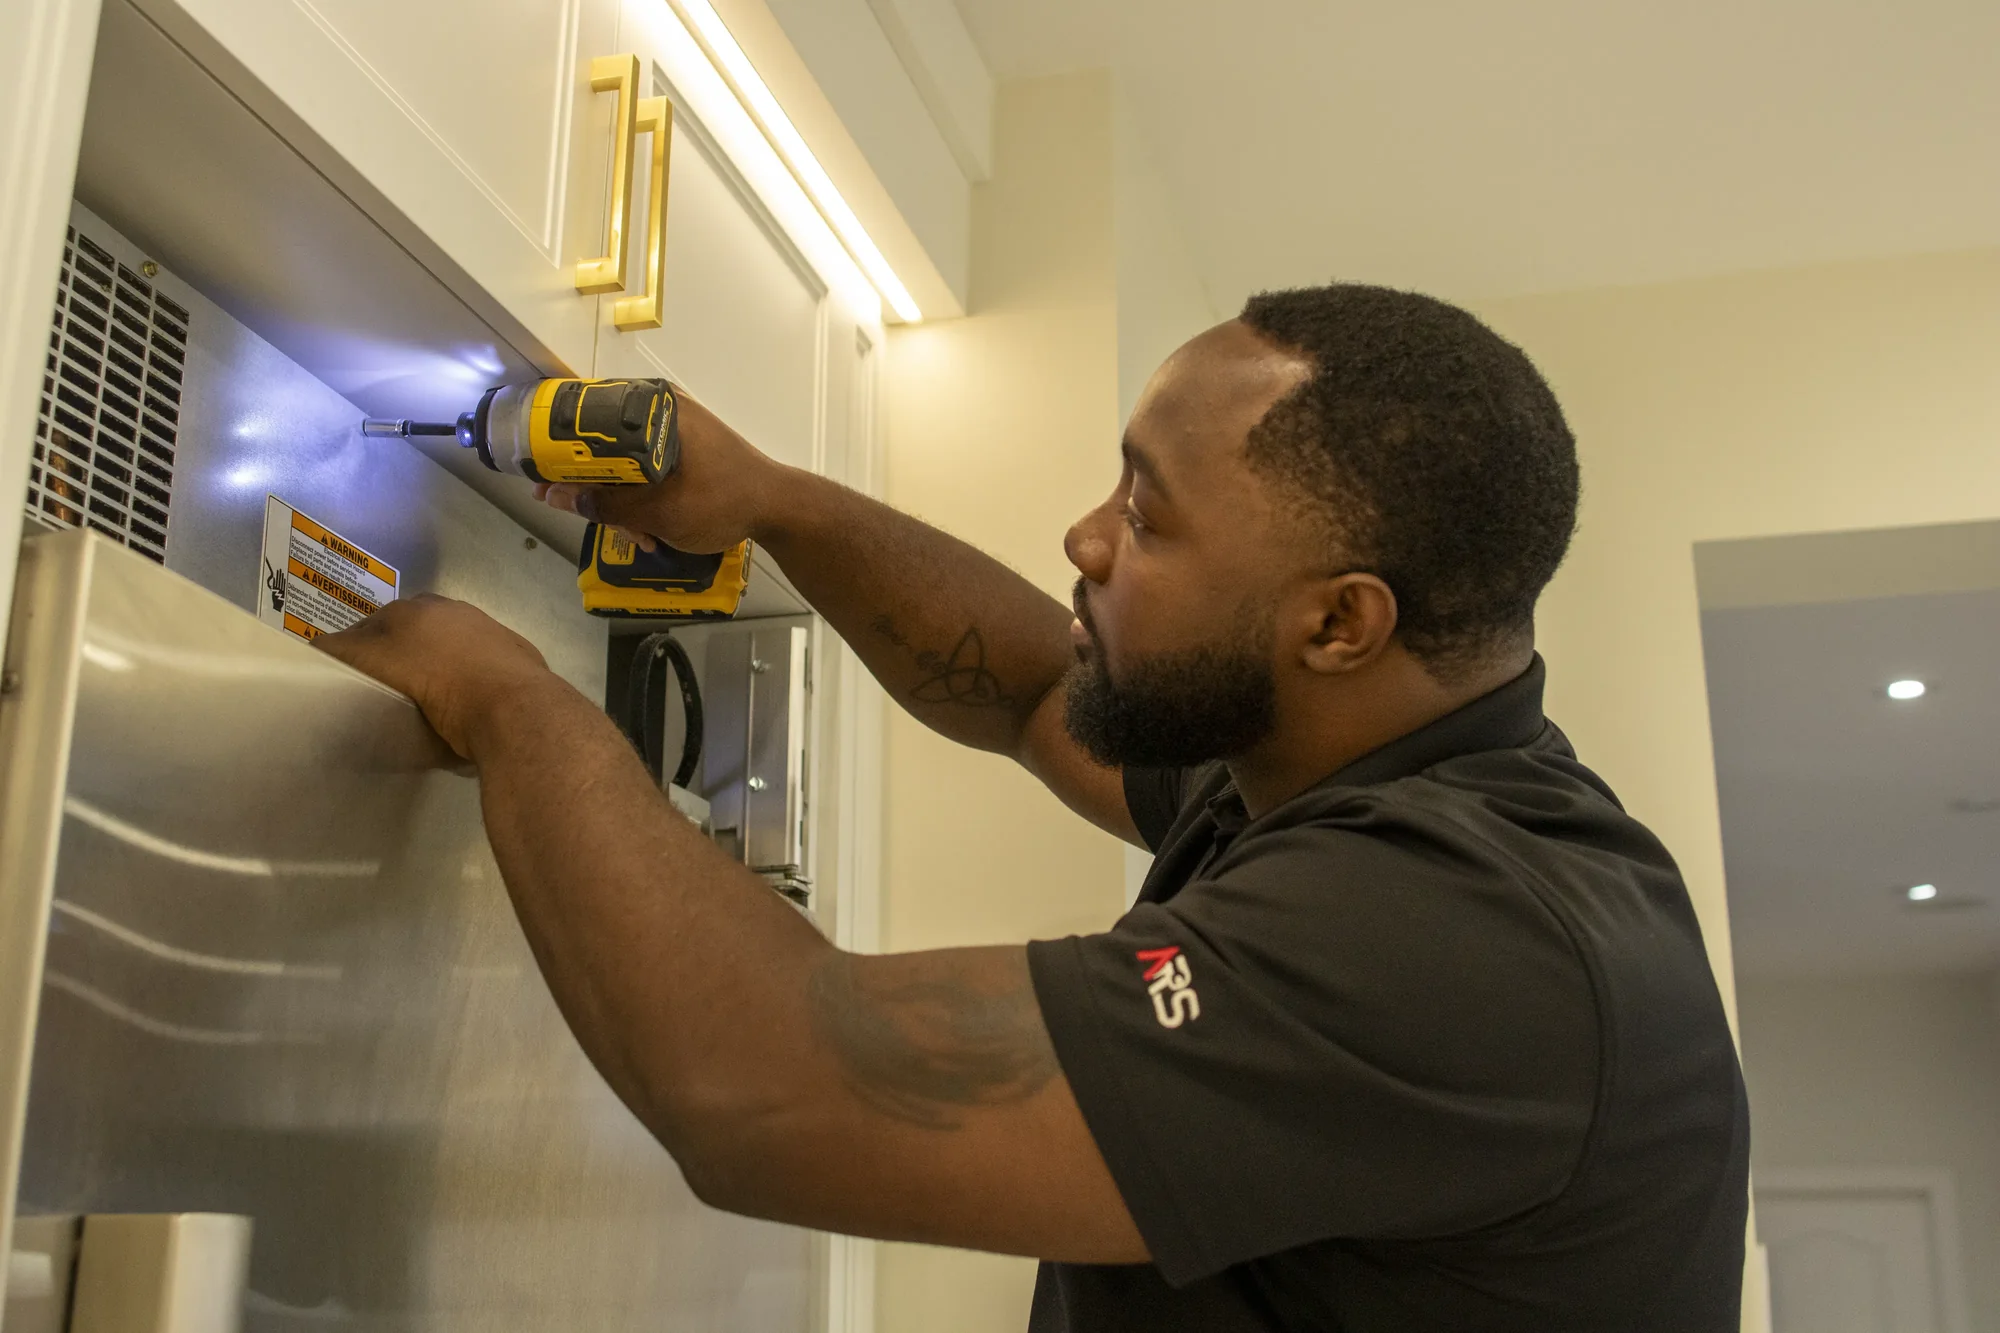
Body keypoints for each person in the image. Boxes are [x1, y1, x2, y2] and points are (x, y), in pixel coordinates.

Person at [319, 284, 1749, 1331]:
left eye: (1147, 512)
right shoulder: (1341, 767)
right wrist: (769, 502)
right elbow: (1028, 697)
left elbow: (769, 1091)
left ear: (1337, 625)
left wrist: (509, 700)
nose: (1084, 537)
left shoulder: (1455, 939)